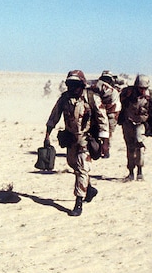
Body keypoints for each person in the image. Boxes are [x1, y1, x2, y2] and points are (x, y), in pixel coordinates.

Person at [43, 70, 109, 216]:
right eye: (69, 84)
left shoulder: (92, 98)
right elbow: (54, 116)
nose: (72, 88)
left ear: (82, 85)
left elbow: (103, 119)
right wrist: (47, 134)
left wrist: (105, 142)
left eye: (75, 85)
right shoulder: (64, 99)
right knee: (73, 164)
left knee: (82, 169)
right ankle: (89, 189)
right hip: (71, 139)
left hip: (86, 139)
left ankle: (78, 203)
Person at [117, 74, 152, 182]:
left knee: (139, 145)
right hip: (128, 123)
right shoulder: (127, 93)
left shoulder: (151, 95)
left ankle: (139, 171)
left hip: (141, 124)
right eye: (140, 88)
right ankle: (130, 172)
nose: (143, 91)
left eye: (145, 88)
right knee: (130, 147)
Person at [88, 70, 121, 155]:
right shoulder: (100, 88)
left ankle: (106, 149)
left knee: (108, 132)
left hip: (112, 112)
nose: (105, 81)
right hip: (100, 111)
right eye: (104, 78)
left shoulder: (113, 91)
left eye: (107, 79)